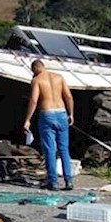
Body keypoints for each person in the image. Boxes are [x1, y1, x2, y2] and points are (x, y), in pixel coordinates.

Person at [22, 59, 74, 191]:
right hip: (62, 113)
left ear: (34, 69)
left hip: (47, 114)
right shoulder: (59, 77)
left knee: (50, 149)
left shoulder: (37, 80)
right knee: (64, 149)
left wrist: (28, 119)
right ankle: (69, 181)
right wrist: (70, 114)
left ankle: (53, 182)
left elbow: (34, 100)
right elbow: (68, 96)